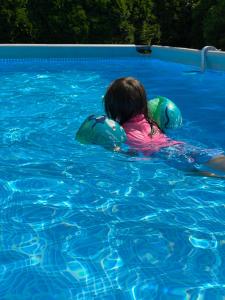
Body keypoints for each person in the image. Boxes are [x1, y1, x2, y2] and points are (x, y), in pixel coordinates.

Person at [103, 77, 225, 178]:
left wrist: (117, 151)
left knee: (193, 172)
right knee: (209, 157)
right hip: (177, 145)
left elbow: (131, 154)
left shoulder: (120, 132)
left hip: (163, 154)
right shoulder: (150, 120)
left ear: (113, 107)